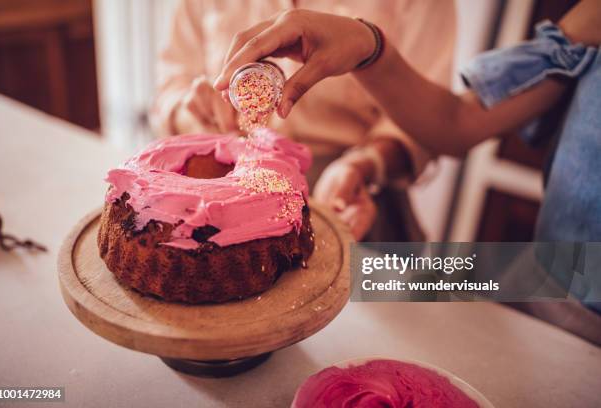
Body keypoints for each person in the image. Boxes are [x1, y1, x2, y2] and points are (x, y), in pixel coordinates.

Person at [213, 0, 601, 343]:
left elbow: (432, 131)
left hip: (576, 304)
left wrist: (366, 161)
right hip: (548, 273)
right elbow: (458, 121)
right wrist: (368, 46)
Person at [150, 0, 457, 241]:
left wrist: (364, 165)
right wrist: (191, 113)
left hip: (347, 191)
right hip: (226, 185)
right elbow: (170, 87)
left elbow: (430, 122)